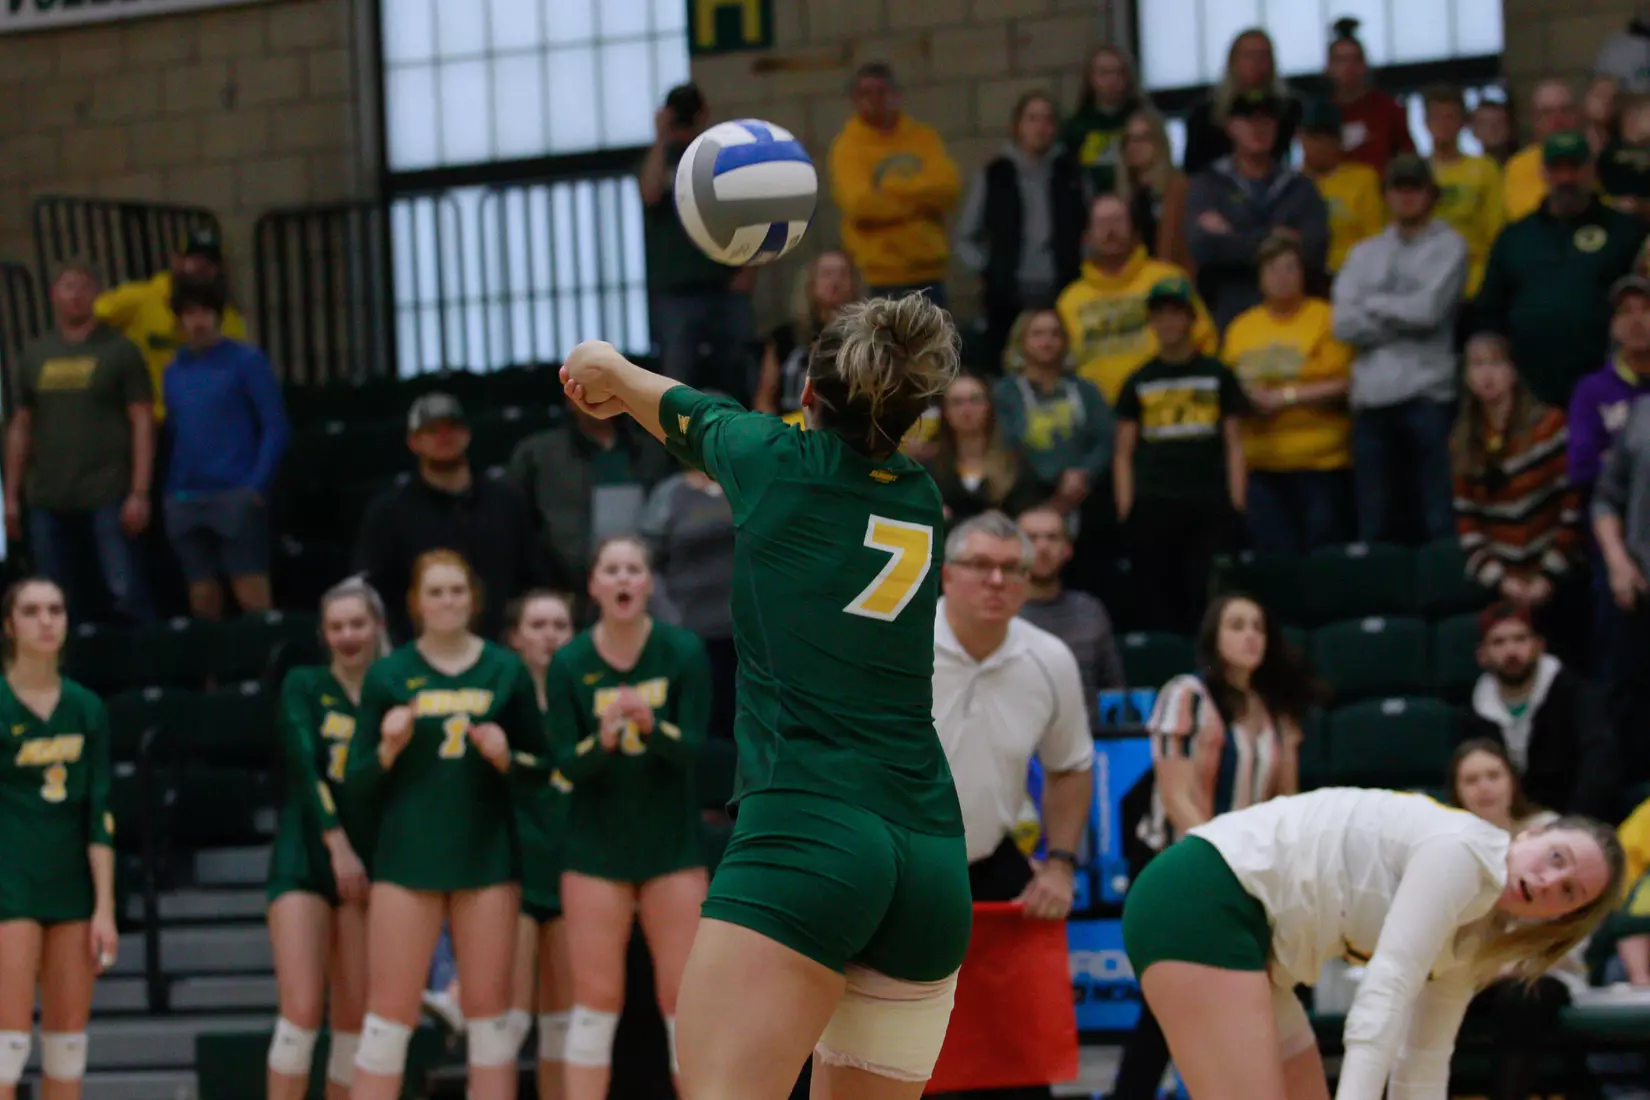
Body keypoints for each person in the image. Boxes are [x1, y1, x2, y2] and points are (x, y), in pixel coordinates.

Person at [556, 291, 971, 1100]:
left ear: (807, 397)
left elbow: (658, 397)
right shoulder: (922, 498)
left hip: (808, 830)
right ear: (914, 416)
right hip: (929, 852)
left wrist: (600, 365)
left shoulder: (772, 460)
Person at [1121, 785, 1624, 1100]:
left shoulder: (1481, 938)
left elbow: (1423, 1064)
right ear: (1529, 835)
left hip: (1258, 941)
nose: (1547, 880)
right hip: (1202, 895)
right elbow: (1383, 994)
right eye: (1555, 857)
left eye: (1568, 891)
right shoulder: (1462, 853)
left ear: (1561, 918)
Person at [341, 550, 551, 1100]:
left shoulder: (505, 670)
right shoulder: (389, 674)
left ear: (474, 599)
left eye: (457, 590)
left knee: (490, 1022)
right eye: (435, 592)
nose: (448, 601)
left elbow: (544, 769)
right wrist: (387, 748)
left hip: (485, 862)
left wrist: (507, 757)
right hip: (406, 861)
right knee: (388, 1020)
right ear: (415, 603)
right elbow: (355, 783)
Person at [1113, 592, 1314, 1100]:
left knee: (1259, 999)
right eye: (1237, 625)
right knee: (1165, 1009)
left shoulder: (1274, 710)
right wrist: (1221, 859)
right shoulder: (1186, 695)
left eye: (1258, 627)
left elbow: (1286, 801)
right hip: (1181, 869)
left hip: (1248, 877)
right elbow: (1176, 792)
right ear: (1214, 637)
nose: (1250, 636)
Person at [930, 513, 1093, 1100]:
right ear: (947, 575)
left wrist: (1061, 863)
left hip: (990, 861)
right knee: (886, 1055)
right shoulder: (898, 646)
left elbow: (1071, 764)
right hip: (896, 872)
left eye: (1012, 569)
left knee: (1015, 1065)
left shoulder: (1050, 660)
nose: (996, 580)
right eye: (980, 566)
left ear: (1029, 581)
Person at [544, 536, 710, 1100]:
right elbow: (567, 762)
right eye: (610, 569)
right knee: (594, 1004)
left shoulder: (683, 650)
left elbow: (694, 751)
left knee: (683, 1003)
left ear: (648, 583)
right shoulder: (568, 663)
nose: (622, 579)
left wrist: (650, 727)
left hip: (671, 849)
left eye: (633, 569)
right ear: (593, 585)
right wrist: (604, 740)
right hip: (595, 851)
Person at [264, 579, 387, 1100]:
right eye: (336, 627)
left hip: (371, 858)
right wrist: (337, 845)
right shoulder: (304, 684)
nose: (347, 635)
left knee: (354, 1017)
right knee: (301, 1011)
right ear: (323, 634)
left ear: (378, 628)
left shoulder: (397, 690)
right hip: (306, 855)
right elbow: (304, 766)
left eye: (357, 624)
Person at [0, 578, 118, 1100]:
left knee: (68, 1049)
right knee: (7, 1046)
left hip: (72, 884)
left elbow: (100, 813)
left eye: (56, 609)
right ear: (10, 625)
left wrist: (106, 908)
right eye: (31, 611)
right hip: (10, 881)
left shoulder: (87, 707)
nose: (46, 621)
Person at [5, 260, 156, 625]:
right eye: (68, 286)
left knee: (125, 590)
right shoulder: (35, 354)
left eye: (84, 286)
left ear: (97, 295)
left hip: (107, 492)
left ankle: (145, 668)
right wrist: (10, 495)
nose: (76, 295)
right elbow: (20, 426)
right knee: (52, 599)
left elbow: (142, 420)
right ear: (54, 294)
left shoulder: (120, 350)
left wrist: (139, 491)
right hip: (46, 496)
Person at [1447, 739, 1593, 1100]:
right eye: (1471, 779)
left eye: (1493, 775)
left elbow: (1572, 922)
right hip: (1474, 976)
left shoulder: (1548, 833)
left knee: (1520, 997)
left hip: (1546, 971)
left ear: (1512, 780)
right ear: (1457, 792)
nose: (1484, 786)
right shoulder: (1447, 844)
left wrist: (1514, 962)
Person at [1333, 154, 1467, 545]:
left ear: (1431, 194)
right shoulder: (1363, 253)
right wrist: (1401, 311)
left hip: (1428, 396)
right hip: (1372, 401)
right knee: (1375, 520)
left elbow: (1428, 311)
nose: (1406, 197)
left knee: (1438, 515)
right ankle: (1380, 604)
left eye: (1414, 188)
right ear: (1386, 195)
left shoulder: (1449, 246)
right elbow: (1343, 324)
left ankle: (1445, 598)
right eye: (1397, 188)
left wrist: (1371, 304)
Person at [1114, 277, 1250, 635]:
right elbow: (1123, 452)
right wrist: (1127, 508)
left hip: (1208, 504)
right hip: (1155, 504)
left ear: (1191, 320)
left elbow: (1235, 443)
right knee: (1157, 598)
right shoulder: (1138, 380)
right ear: (1151, 323)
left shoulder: (1217, 374)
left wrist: (1236, 501)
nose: (1168, 323)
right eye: (1160, 315)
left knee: (1205, 596)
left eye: (1176, 314)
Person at [1477, 130, 1648, 409]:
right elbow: (1488, 312)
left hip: (1613, 390)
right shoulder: (1514, 238)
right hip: (1531, 396)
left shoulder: (1626, 231)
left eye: (1575, 168)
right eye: (1558, 169)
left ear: (1591, 170)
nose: (1567, 179)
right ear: (1543, 172)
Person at [359, 392, 547, 642]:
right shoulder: (388, 511)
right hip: (419, 652)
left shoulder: (507, 499)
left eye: (452, 427)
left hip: (503, 648)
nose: (444, 436)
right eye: (432, 430)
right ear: (413, 441)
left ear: (467, 434)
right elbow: (376, 590)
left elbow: (533, 577)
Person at [162, 274, 289, 620]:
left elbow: (275, 425)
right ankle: (213, 675)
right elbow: (175, 429)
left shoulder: (247, 361)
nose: (197, 320)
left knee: (251, 593)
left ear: (218, 315)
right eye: (189, 312)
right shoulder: (173, 371)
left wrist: (255, 486)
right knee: (201, 599)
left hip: (235, 492)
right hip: (185, 495)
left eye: (205, 311)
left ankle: (263, 672)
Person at [1222, 233, 1354, 556]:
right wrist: (1247, 399)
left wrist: (1287, 397)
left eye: (1289, 268)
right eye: (1272, 270)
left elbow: (1345, 383)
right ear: (1260, 277)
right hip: (1260, 466)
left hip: (1321, 465)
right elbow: (1224, 390)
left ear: (1303, 274)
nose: (1281, 278)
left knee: (1323, 555)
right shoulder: (1241, 328)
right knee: (1273, 558)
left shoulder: (1326, 318)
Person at [502, 590, 577, 1100]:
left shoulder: (592, 700)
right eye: (537, 624)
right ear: (516, 637)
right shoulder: (499, 702)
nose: (549, 634)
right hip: (513, 874)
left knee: (564, 1026)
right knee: (505, 1025)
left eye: (560, 625)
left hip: (574, 873)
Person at [954, 91, 1086, 371]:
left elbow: (1091, 227)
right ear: (1018, 126)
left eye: (1048, 120)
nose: (1040, 127)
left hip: (1064, 288)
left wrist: (1081, 261)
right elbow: (966, 235)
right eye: (1032, 119)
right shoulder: (996, 174)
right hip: (1008, 295)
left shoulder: (1070, 172)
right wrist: (989, 267)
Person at [1451, 333, 1579, 617]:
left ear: (1513, 371)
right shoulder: (1461, 442)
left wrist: (1550, 574)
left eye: (1495, 363)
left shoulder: (1550, 425)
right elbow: (1467, 523)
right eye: (1477, 365)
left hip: (1559, 575)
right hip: (1501, 585)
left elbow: (1573, 505)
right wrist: (1500, 579)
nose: (1487, 374)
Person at [638, 84, 755, 393]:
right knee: (678, 378)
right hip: (675, 290)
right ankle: (679, 440)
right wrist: (661, 137)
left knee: (738, 370)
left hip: (724, 284)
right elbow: (649, 193)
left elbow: (746, 214)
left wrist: (747, 269)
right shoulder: (658, 158)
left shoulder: (718, 156)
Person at [1186, 88, 1331, 331]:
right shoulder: (1208, 185)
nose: (1257, 127)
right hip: (1230, 319)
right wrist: (1278, 240)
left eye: (1266, 119)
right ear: (1230, 126)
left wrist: (1235, 237)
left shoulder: (1300, 186)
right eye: (1247, 119)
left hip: (1298, 321)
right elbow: (1205, 247)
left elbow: (1314, 249)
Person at [508, 396, 672, 606]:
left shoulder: (652, 451)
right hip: (566, 595)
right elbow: (520, 528)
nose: (598, 396)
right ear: (569, 398)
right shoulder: (536, 455)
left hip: (643, 590)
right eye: (587, 389)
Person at [1460, 602, 1618, 820]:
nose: (1511, 651)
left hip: (1574, 822)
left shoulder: (1576, 695)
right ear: (1482, 654)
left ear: (1539, 645)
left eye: (1520, 639)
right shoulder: (1474, 711)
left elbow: (1598, 768)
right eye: (1499, 642)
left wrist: (1571, 827)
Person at [1056, 193, 1216, 405]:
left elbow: (1205, 341)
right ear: (1086, 236)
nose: (1111, 231)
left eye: (1118, 221)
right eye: (1102, 223)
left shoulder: (1167, 278)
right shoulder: (1069, 299)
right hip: (1098, 416)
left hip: (1169, 407)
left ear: (1135, 231)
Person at [829, 61, 961, 305]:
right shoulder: (847, 146)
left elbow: (948, 188)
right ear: (854, 100)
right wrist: (920, 199)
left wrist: (890, 189)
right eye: (866, 93)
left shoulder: (923, 137)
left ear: (896, 94)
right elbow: (860, 205)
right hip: (878, 277)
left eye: (881, 91)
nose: (875, 99)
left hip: (929, 273)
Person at [93, 227, 248, 419]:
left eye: (209, 262)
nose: (200, 267)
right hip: (147, 421)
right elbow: (85, 322)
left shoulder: (230, 319)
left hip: (201, 421)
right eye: (194, 259)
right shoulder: (138, 298)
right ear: (176, 260)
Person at [641, 464, 739, 738]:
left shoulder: (749, 480)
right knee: (697, 727)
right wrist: (671, 619)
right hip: (689, 633)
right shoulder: (670, 493)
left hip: (750, 633)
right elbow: (647, 562)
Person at [991, 308, 1113, 519]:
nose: (1047, 341)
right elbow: (1006, 444)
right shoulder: (1004, 393)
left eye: (1055, 334)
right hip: (1025, 497)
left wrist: (1084, 473)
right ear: (1021, 341)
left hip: (1085, 495)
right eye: (1037, 334)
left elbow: (1105, 440)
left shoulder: (1086, 390)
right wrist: (1054, 482)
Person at [1016, 506, 1124, 732]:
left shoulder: (1090, 610)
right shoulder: (996, 610)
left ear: (1068, 549)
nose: (1042, 546)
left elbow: (1114, 691)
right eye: (1031, 538)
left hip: (1085, 746)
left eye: (1052, 537)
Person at [1569, 275, 1650, 504]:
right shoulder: (1592, 389)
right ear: (1613, 325)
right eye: (1625, 311)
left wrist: (1612, 458)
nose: (1637, 320)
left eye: (1646, 309)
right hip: (1613, 512)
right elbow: (1580, 468)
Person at [925, 375, 1040, 528]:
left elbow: (1029, 518)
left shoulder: (1016, 465)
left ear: (989, 406)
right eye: (957, 402)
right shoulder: (929, 469)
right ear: (944, 411)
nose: (967, 410)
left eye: (975, 400)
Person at [1181, 29, 1301, 176]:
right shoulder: (1204, 114)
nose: (1256, 63)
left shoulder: (1288, 109)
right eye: (1249, 55)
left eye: (1263, 56)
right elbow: (1192, 169)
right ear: (1233, 62)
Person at [756, 251, 858, 424]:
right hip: (791, 431)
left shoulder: (864, 338)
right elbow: (765, 398)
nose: (835, 282)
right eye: (826, 274)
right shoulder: (784, 336)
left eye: (843, 274)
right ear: (811, 283)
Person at [1425, 84, 1506, 300]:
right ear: (1425, 122)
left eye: (1450, 117)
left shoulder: (1484, 169)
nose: (1443, 124)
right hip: (1425, 282)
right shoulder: (1416, 173)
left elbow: (1496, 231)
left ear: (1463, 122)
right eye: (1437, 117)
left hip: (1474, 282)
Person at [1299, 99, 1385, 275]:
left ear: (1340, 140)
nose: (1321, 145)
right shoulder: (1290, 184)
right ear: (1300, 138)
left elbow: (1376, 241)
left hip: (1354, 277)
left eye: (1329, 137)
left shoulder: (1364, 178)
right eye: (1314, 137)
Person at [1324, 18, 1415, 173]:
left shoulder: (1387, 109)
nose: (1348, 67)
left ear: (1365, 65)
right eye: (1341, 60)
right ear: (1329, 68)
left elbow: (1408, 159)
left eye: (1355, 60)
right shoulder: (1321, 113)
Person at [1114, 106, 1192, 273]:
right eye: (1129, 139)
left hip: (1172, 281)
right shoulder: (1123, 195)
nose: (1135, 146)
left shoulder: (1178, 188)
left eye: (1143, 138)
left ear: (1159, 142)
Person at [1061, 45, 1142, 196]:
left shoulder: (1141, 122)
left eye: (1118, 73)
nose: (1112, 80)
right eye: (1104, 73)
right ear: (1091, 78)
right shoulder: (1076, 128)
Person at [1502, 81, 1581, 222]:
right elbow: (1526, 217)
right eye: (1547, 113)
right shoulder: (1518, 166)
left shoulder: (1593, 158)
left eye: (1565, 110)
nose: (1557, 119)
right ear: (1534, 119)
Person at [1472, 99, 1518, 167]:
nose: (1491, 129)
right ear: (1475, 130)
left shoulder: (1522, 165)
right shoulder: (1468, 170)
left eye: (1497, 124)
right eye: (1485, 124)